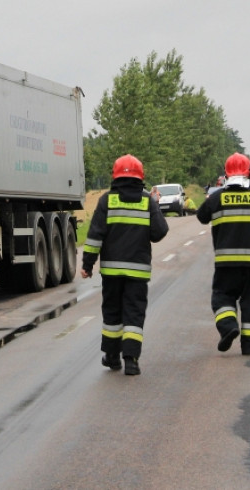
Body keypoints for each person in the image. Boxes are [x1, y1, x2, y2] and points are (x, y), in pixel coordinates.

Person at [81, 154, 169, 376]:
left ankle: (112, 357)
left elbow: (94, 237)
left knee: (112, 312)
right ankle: (131, 360)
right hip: (138, 272)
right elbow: (160, 232)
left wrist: (87, 264)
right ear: (141, 177)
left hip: (111, 271)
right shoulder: (147, 200)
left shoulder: (106, 201)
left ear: (115, 176)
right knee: (134, 313)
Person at [196, 152, 250, 356]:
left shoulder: (217, 198)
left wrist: (212, 198)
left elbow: (201, 217)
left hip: (226, 263)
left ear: (226, 174)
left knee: (222, 297)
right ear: (249, 173)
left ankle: (228, 327)